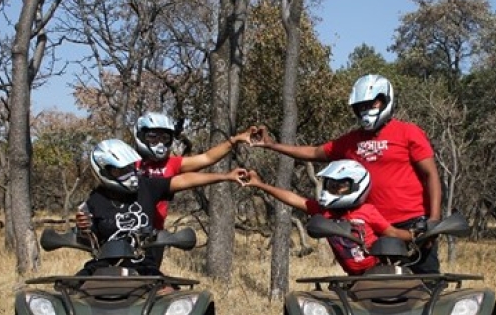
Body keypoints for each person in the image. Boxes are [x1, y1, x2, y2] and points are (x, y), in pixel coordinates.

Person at [250, 74, 443, 273]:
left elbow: (431, 176)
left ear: (385, 100)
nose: (366, 110)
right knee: (375, 288)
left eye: (372, 103)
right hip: (370, 225)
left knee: (425, 284)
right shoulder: (350, 141)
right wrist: (271, 145)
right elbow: (314, 152)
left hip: (412, 222)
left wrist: (433, 222)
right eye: (361, 106)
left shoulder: (408, 132)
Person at [74, 138, 246, 276]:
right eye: (121, 170)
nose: (130, 173)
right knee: (70, 293)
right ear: (104, 172)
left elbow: (184, 180)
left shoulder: (146, 187)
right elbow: (91, 242)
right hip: (103, 267)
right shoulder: (93, 201)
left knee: (172, 301)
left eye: (130, 167)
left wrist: (225, 176)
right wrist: (83, 229)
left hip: (144, 267)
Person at [240, 160, 413, 275]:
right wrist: (260, 184)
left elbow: (393, 233)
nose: (334, 189)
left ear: (356, 186)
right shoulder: (325, 212)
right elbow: (294, 199)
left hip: (379, 272)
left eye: (340, 186)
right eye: (331, 185)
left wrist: (414, 235)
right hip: (352, 277)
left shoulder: (367, 210)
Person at [133, 111, 255, 268]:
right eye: (153, 137)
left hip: (155, 234)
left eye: (164, 138)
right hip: (126, 230)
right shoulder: (128, 163)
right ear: (141, 136)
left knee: (150, 279)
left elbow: (207, 158)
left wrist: (234, 141)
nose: (159, 144)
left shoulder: (172, 163)